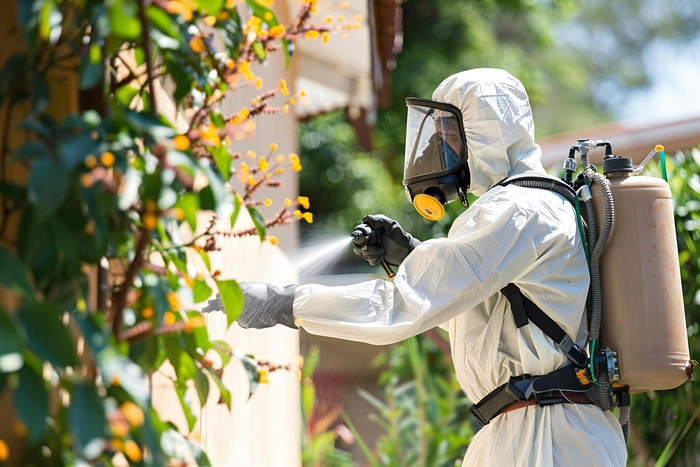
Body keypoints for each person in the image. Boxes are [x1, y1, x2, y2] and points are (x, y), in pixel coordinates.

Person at [214, 68, 628, 465]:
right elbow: (479, 320)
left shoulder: (520, 209)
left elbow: (405, 304)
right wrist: (409, 258)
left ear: (485, 134)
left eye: (449, 136)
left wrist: (284, 303)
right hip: (526, 422)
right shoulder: (520, 208)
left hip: (552, 434)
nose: (437, 151)